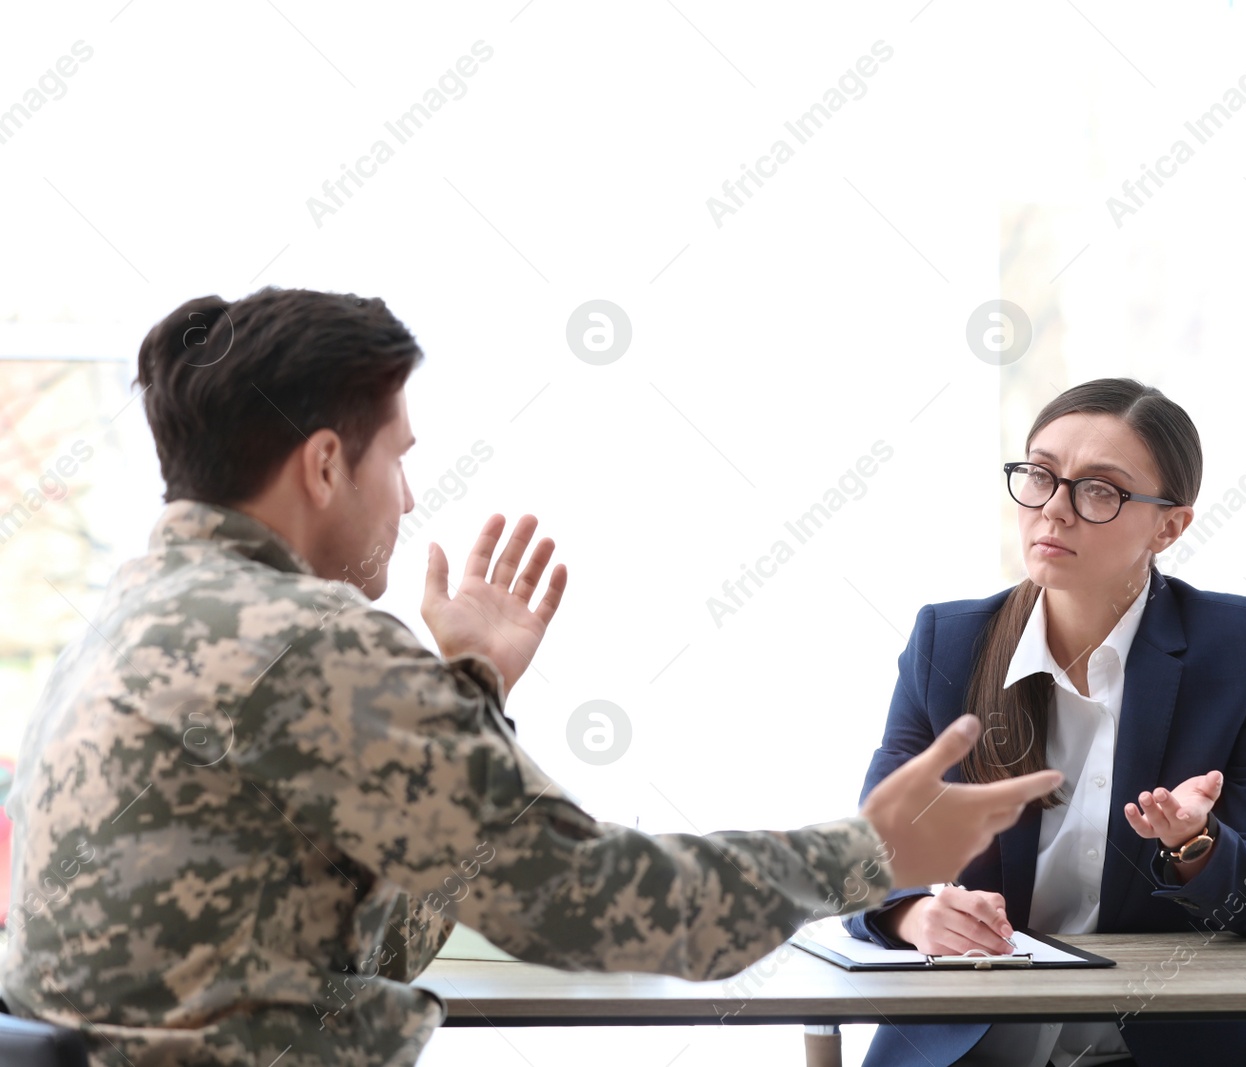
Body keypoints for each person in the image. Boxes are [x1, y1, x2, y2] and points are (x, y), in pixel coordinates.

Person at [0, 287, 1062, 1067]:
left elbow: (382, 916)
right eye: (397, 455)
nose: (409, 496)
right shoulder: (302, 642)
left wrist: (465, 691)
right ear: (325, 465)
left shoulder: (136, 615)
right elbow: (597, 906)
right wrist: (871, 852)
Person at [844, 378, 1246, 1067]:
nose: (1054, 511)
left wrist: (1197, 846)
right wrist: (916, 915)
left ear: (1170, 525)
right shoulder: (947, 643)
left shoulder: (1243, 645)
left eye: (1099, 490)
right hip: (972, 1044)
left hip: (1174, 1047)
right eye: (1041, 475)